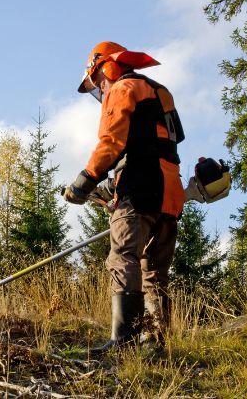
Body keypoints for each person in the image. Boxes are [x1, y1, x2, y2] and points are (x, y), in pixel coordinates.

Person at [63, 41, 185, 352]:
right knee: (154, 271)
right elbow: (160, 142)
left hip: (141, 186)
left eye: (98, 81)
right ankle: (156, 344)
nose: (100, 90)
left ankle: (124, 340)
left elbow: (111, 142)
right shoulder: (160, 90)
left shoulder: (122, 88)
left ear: (108, 67)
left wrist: (85, 181)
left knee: (123, 258)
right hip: (170, 192)